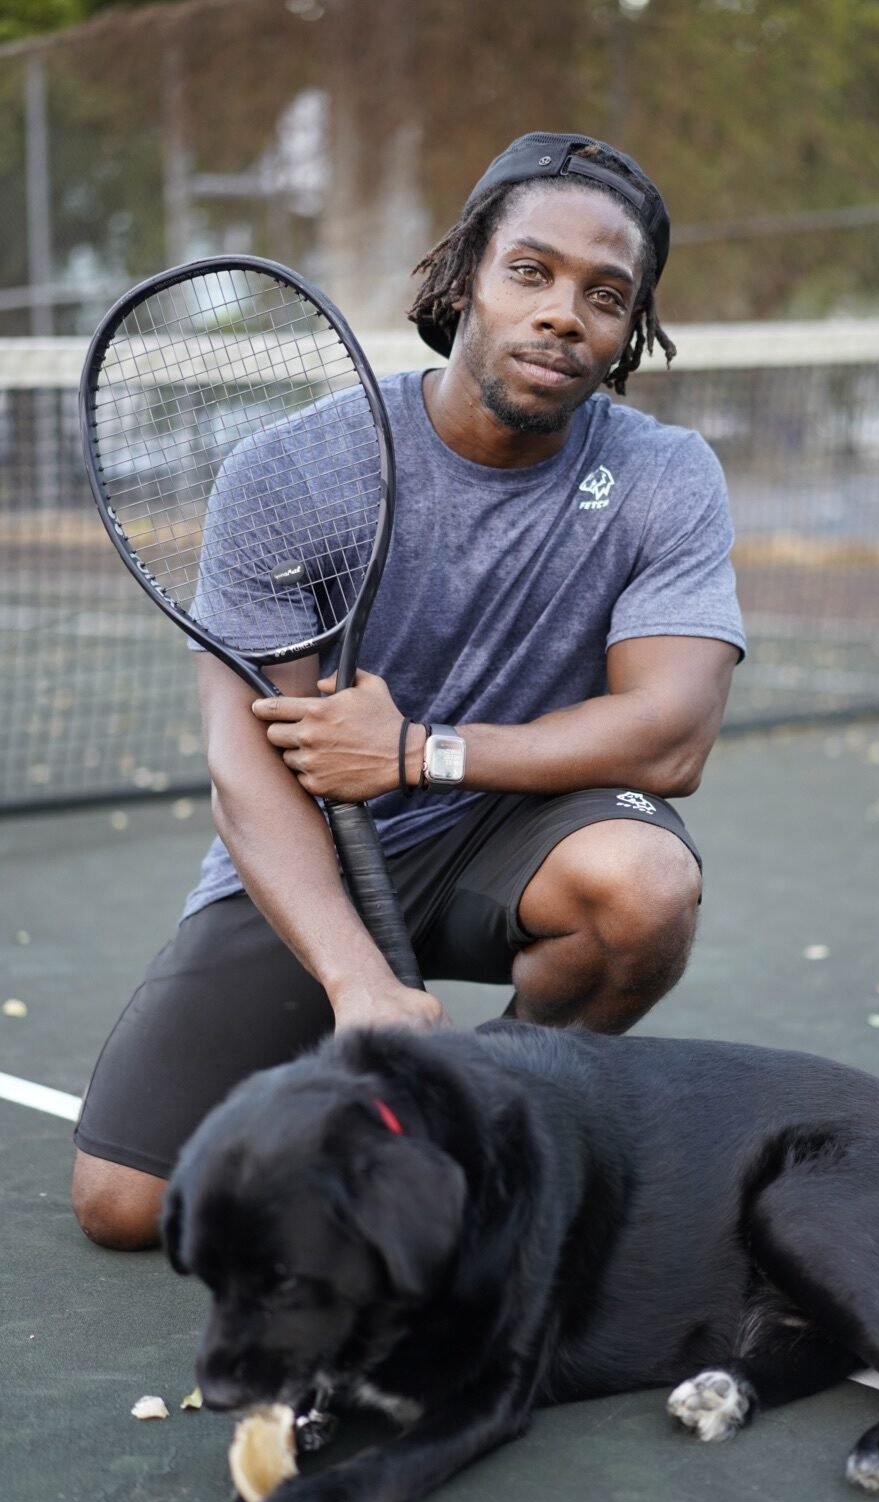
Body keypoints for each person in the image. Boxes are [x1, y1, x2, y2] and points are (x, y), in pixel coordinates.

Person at [71, 130, 746, 1249]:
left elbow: (671, 738)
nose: (563, 313)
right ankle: (371, 1089)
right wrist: (357, 985)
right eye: (530, 270)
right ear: (465, 275)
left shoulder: (667, 475)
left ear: (633, 329)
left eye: (606, 293)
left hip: (515, 827)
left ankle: (493, 1113)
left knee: (644, 884)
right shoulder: (293, 469)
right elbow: (248, 765)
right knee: (128, 1207)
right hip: (319, 840)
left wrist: (418, 752)